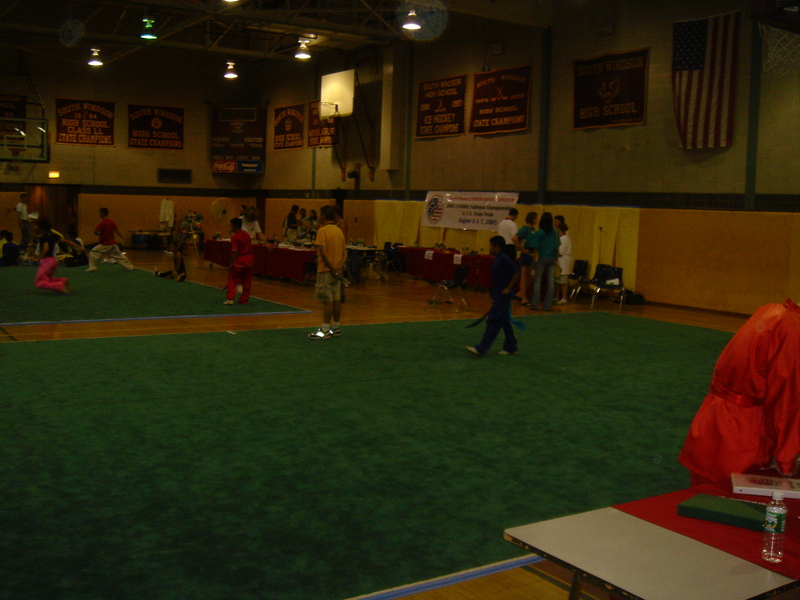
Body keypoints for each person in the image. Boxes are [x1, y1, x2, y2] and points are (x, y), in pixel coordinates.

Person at [679, 299, 800, 486]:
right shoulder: (791, 329)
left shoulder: (770, 310)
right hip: (742, 434)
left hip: (713, 417)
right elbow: (787, 401)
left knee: (701, 494)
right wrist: (787, 461)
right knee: (727, 499)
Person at [467, 236, 520, 357]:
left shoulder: (504, 258)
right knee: (504, 321)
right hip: (498, 293)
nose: (490, 248)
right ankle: (511, 346)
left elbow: (516, 272)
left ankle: (482, 348)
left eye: (491, 246)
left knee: (494, 320)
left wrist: (508, 288)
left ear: (497, 246)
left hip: (503, 295)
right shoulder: (499, 258)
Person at [308, 204, 346, 339]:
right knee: (336, 300)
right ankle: (336, 327)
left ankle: (324, 330)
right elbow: (344, 252)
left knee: (327, 301)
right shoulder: (338, 231)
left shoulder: (322, 231)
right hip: (337, 271)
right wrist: (338, 268)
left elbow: (323, 253)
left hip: (325, 271)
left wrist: (331, 268)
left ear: (323, 216)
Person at [32, 219, 84, 294]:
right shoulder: (54, 235)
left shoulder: (43, 237)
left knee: (39, 282)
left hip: (46, 262)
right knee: (47, 278)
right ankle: (63, 281)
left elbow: (46, 248)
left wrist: (38, 258)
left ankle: (59, 285)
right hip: (53, 261)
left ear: (40, 228)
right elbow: (67, 242)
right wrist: (79, 247)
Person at [529, 212, 561, 311]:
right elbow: (557, 247)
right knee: (551, 282)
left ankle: (535, 305)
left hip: (542, 258)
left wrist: (534, 261)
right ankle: (547, 306)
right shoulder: (555, 233)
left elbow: (535, 249)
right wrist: (556, 259)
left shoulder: (539, 233)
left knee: (537, 281)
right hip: (552, 258)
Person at [224, 217, 255, 305]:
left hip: (239, 261)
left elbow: (235, 251)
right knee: (247, 281)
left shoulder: (236, 237)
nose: (230, 227)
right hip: (249, 261)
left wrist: (230, 264)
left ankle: (230, 298)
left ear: (235, 226)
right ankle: (244, 299)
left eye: (231, 225)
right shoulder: (247, 235)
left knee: (232, 279)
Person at [512, 211, 538, 306]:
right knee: (524, 277)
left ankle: (520, 293)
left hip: (531, 254)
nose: (536, 220)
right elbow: (515, 238)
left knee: (530, 277)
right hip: (526, 254)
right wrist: (522, 249)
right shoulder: (525, 229)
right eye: (535, 218)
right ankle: (524, 298)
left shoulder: (533, 229)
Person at [554, 215, 572, 305]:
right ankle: (557, 296)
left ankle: (564, 298)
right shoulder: (561, 238)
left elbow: (560, 252)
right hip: (559, 262)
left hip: (563, 262)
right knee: (557, 281)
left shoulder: (564, 239)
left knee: (563, 282)